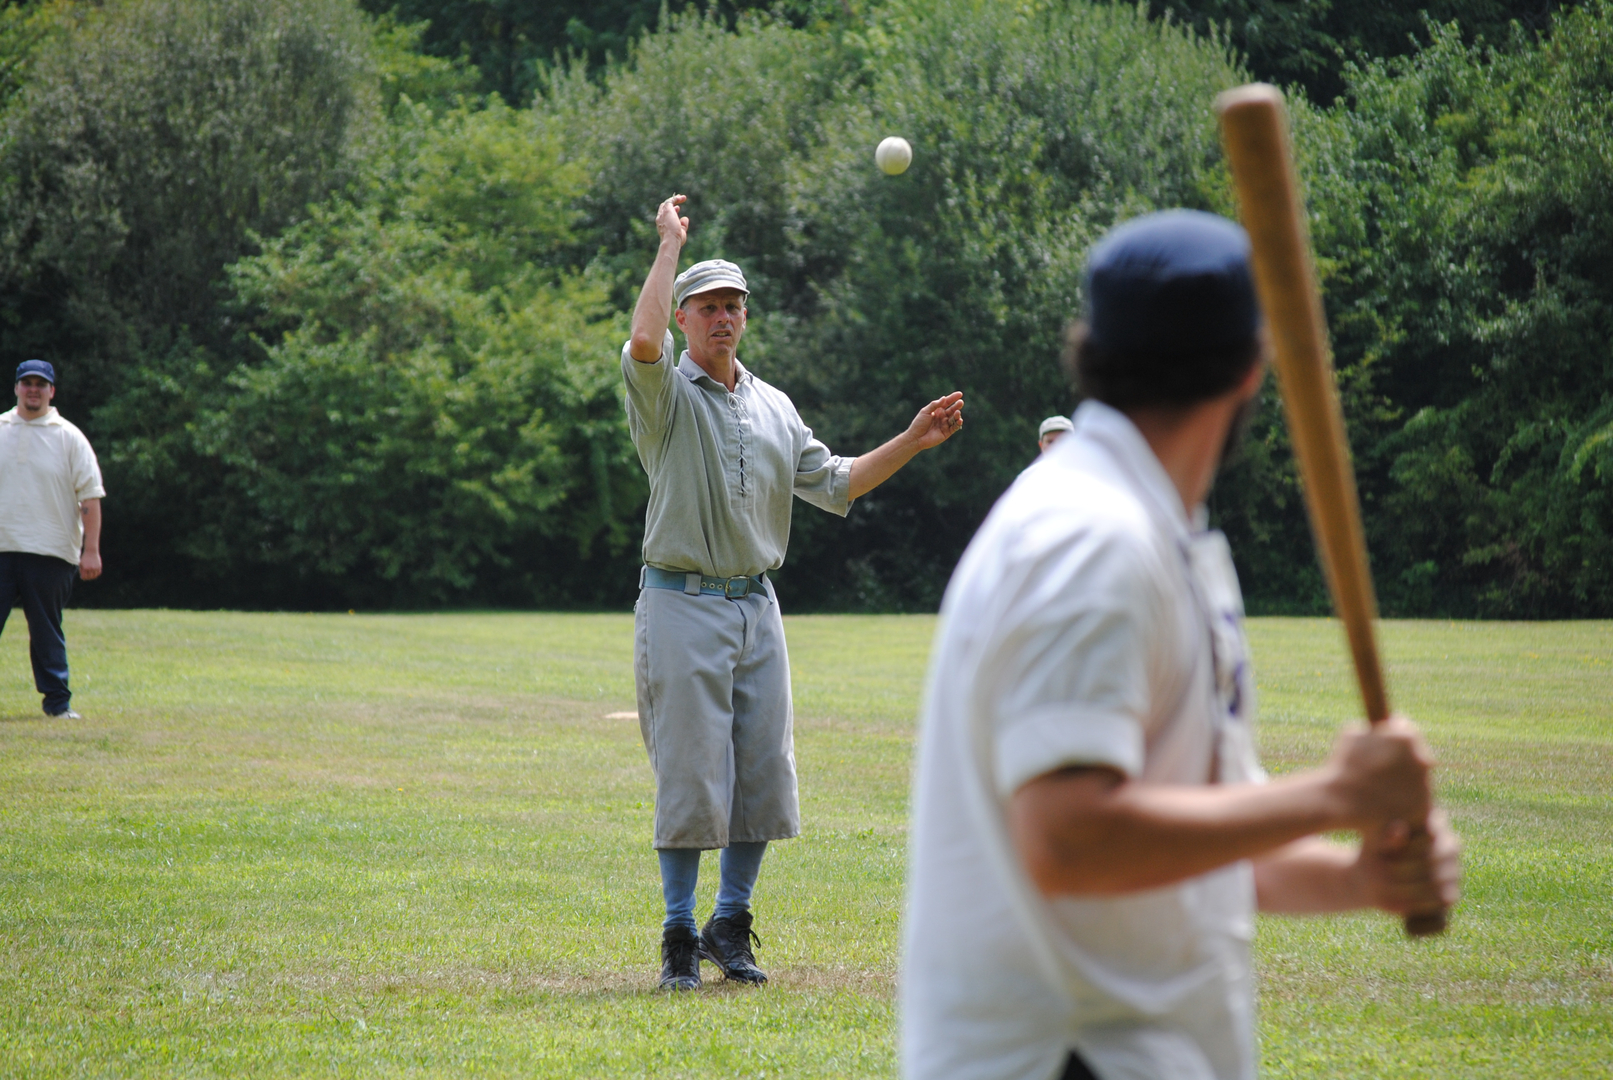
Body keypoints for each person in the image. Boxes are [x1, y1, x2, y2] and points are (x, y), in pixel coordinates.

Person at [900, 210, 1460, 1080]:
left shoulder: (1149, 529)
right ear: (1252, 366)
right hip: (1067, 1055)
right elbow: (1070, 839)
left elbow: (1202, 830)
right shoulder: (1092, 541)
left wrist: (1357, 880)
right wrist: (1335, 795)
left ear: (1088, 351)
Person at [625, 194, 965, 991]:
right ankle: (677, 932)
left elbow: (838, 481)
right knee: (689, 772)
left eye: (734, 306)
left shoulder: (772, 405)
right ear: (684, 318)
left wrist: (913, 440)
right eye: (708, 307)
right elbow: (639, 340)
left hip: (757, 607)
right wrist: (670, 246)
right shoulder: (664, 397)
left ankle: (728, 924)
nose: (723, 318)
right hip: (678, 602)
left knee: (761, 773)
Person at [0, 360, 105, 720]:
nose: (33, 390)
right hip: (1, 547)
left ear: (51, 391)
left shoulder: (69, 437)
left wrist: (90, 551)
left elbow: (89, 497)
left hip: (51, 550)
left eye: (40, 384)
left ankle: (58, 704)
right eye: (26, 383)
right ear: (16, 388)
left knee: (47, 631)